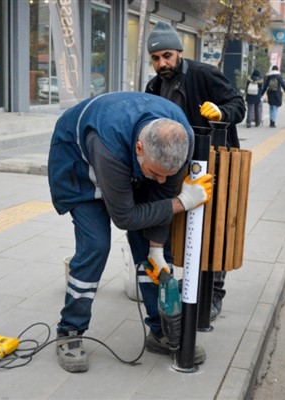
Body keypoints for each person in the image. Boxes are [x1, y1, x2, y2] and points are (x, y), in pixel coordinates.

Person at [47, 92, 214, 373]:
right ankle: (69, 331)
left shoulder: (179, 139)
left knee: (151, 252)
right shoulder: (108, 146)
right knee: (95, 247)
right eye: (155, 172)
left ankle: (159, 331)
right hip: (80, 167)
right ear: (139, 148)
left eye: (166, 174)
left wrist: (156, 249)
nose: (162, 179)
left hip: (129, 162)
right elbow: (124, 217)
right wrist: (182, 202)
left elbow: (161, 193)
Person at [145, 21, 246, 321]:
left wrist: (221, 113)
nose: (162, 63)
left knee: (215, 229)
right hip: (176, 168)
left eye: (166, 56)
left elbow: (237, 104)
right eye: (156, 58)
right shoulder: (153, 87)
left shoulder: (203, 74)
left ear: (179, 52)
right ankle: (187, 282)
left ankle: (214, 292)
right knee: (182, 226)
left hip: (215, 165)